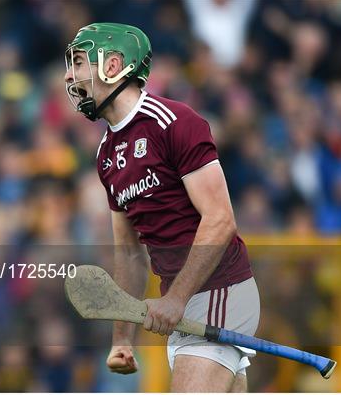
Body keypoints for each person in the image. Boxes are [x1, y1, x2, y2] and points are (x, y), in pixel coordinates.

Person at [64, 23, 260, 392]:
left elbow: (220, 221)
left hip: (220, 290)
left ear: (112, 65)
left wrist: (175, 299)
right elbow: (130, 253)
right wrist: (122, 338)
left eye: (77, 62)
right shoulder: (106, 155)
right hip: (185, 305)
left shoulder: (174, 122)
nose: (69, 75)